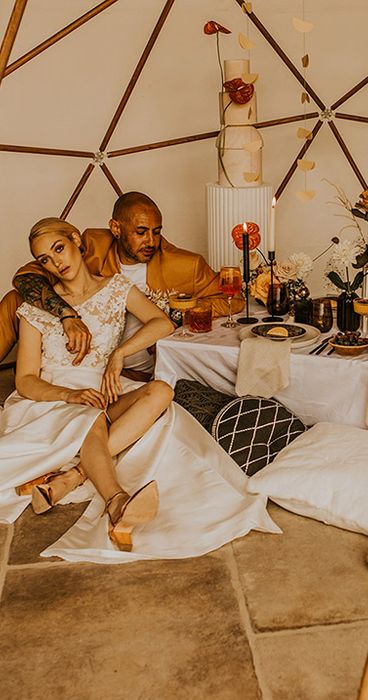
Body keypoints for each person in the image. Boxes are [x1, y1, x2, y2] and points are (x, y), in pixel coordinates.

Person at [0, 218, 278, 562]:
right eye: (45, 259)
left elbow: (162, 322)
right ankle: (117, 503)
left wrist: (119, 354)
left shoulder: (115, 288)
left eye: (59, 248)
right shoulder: (37, 308)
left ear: (75, 239)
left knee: (160, 392)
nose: (56, 262)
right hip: (51, 397)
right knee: (91, 420)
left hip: (101, 388)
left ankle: (72, 477)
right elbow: (25, 379)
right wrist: (68, 395)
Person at [0, 192, 243, 375]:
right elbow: (26, 277)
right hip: (79, 360)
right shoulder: (90, 246)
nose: (151, 241)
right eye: (140, 232)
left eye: (156, 232)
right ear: (115, 228)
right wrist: (67, 314)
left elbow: (233, 299)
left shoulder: (185, 264)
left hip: (132, 368)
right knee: (15, 301)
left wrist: (176, 310)